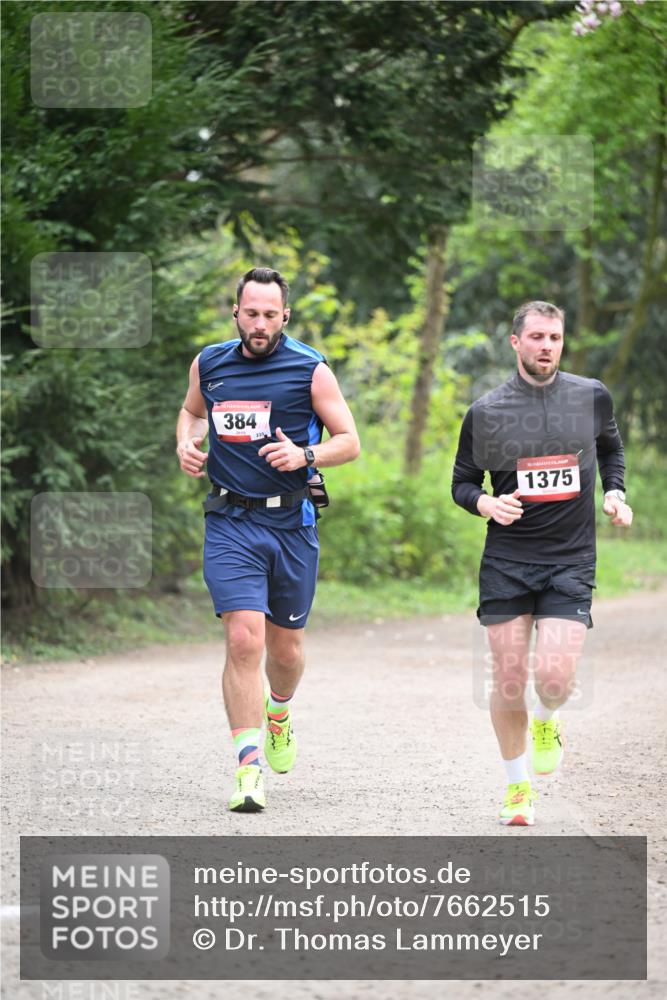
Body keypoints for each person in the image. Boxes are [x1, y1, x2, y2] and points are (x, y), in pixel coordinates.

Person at [176, 267, 360, 812]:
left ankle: (278, 711)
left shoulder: (309, 369)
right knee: (242, 641)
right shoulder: (209, 364)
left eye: (269, 315)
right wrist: (187, 443)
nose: (259, 324)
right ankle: (248, 768)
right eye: (250, 313)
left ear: (286, 316)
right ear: (236, 312)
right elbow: (192, 413)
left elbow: (349, 442)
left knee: (286, 651)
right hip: (231, 522)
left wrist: (306, 455)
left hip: (291, 526)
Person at [451, 301, 632, 826]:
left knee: (553, 677)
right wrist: (485, 503)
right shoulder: (486, 412)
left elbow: (611, 450)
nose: (546, 346)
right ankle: (516, 788)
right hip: (508, 558)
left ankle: (547, 720)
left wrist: (614, 493)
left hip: (570, 558)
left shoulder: (591, 396)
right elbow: (462, 482)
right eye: (536, 337)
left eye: (554, 337)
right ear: (515, 342)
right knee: (508, 677)